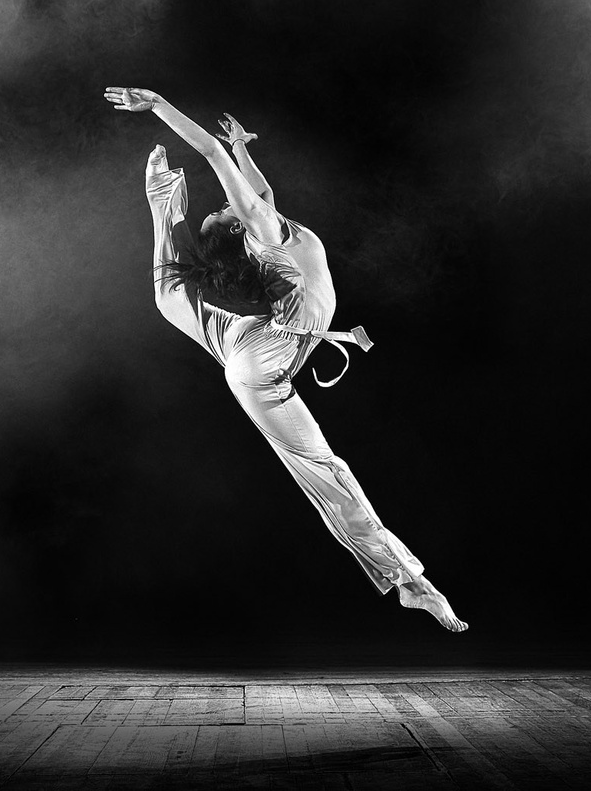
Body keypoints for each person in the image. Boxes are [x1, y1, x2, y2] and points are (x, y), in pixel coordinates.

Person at [103, 85, 466, 632]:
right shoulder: (266, 234)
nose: (232, 199)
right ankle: (414, 583)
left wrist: (242, 148)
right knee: (326, 472)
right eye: (224, 208)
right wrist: (158, 105)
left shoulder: (270, 226)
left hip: (253, 343)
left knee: (169, 296)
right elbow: (211, 155)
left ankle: (161, 193)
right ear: (239, 225)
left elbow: (260, 188)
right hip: (262, 361)